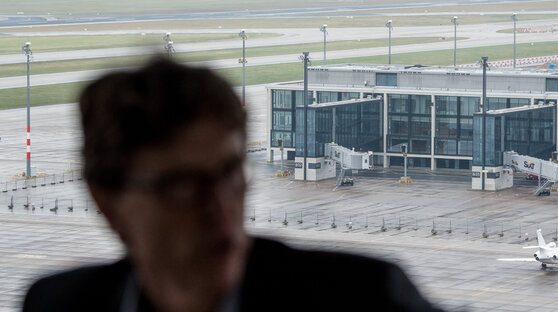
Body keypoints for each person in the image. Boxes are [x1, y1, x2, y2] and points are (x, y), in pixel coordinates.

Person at [22, 58, 443, 312]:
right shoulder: (57, 303)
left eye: (228, 173)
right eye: (184, 186)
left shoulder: (365, 298)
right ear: (107, 200)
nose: (219, 205)